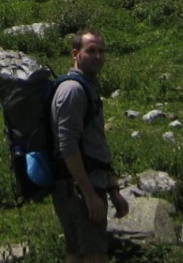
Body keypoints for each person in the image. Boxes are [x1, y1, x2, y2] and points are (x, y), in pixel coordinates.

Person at [51, 30, 128, 263]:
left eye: (101, 51)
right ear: (76, 54)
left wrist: (113, 190)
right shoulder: (73, 91)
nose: (98, 56)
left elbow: (96, 145)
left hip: (89, 185)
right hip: (78, 190)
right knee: (93, 255)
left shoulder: (86, 88)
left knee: (77, 255)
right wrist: (89, 193)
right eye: (91, 51)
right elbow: (67, 145)